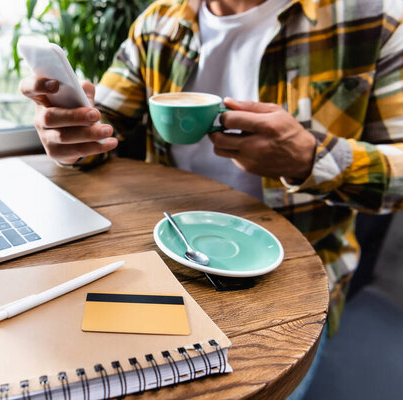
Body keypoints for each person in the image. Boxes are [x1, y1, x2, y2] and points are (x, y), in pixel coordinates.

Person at [20, 1, 403, 393]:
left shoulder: (372, 19)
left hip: (293, 279)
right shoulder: (159, 22)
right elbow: (103, 125)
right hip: (165, 256)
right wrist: (72, 134)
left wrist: (310, 157)